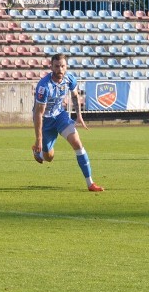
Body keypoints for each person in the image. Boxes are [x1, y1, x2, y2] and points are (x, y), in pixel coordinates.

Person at [32, 53, 104, 192]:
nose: (60, 69)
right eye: (57, 66)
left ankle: (90, 183)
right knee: (49, 157)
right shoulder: (44, 86)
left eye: (63, 66)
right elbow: (38, 113)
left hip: (60, 116)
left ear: (66, 67)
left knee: (77, 143)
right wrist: (38, 139)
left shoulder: (69, 78)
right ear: (51, 67)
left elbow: (75, 96)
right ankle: (39, 153)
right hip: (45, 121)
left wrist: (79, 116)